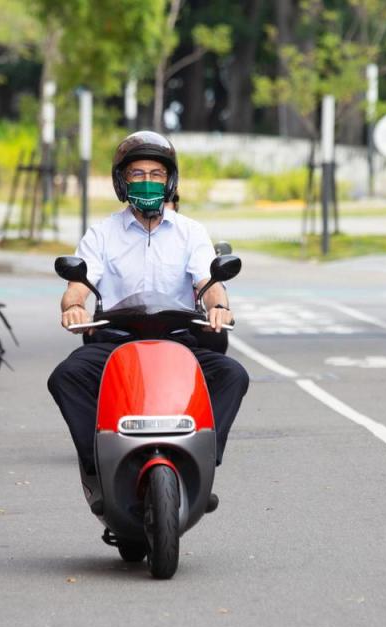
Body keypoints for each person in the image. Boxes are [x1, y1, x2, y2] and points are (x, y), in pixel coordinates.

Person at [48, 131, 249, 483]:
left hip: (178, 342)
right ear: (121, 181)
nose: (147, 182)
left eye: (156, 174)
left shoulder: (191, 232)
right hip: (115, 342)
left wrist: (220, 308)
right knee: (66, 376)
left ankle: (200, 460)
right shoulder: (102, 234)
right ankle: (99, 461)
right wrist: (74, 308)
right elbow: (76, 286)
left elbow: (209, 283)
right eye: (137, 174)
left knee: (232, 375)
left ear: (170, 181)